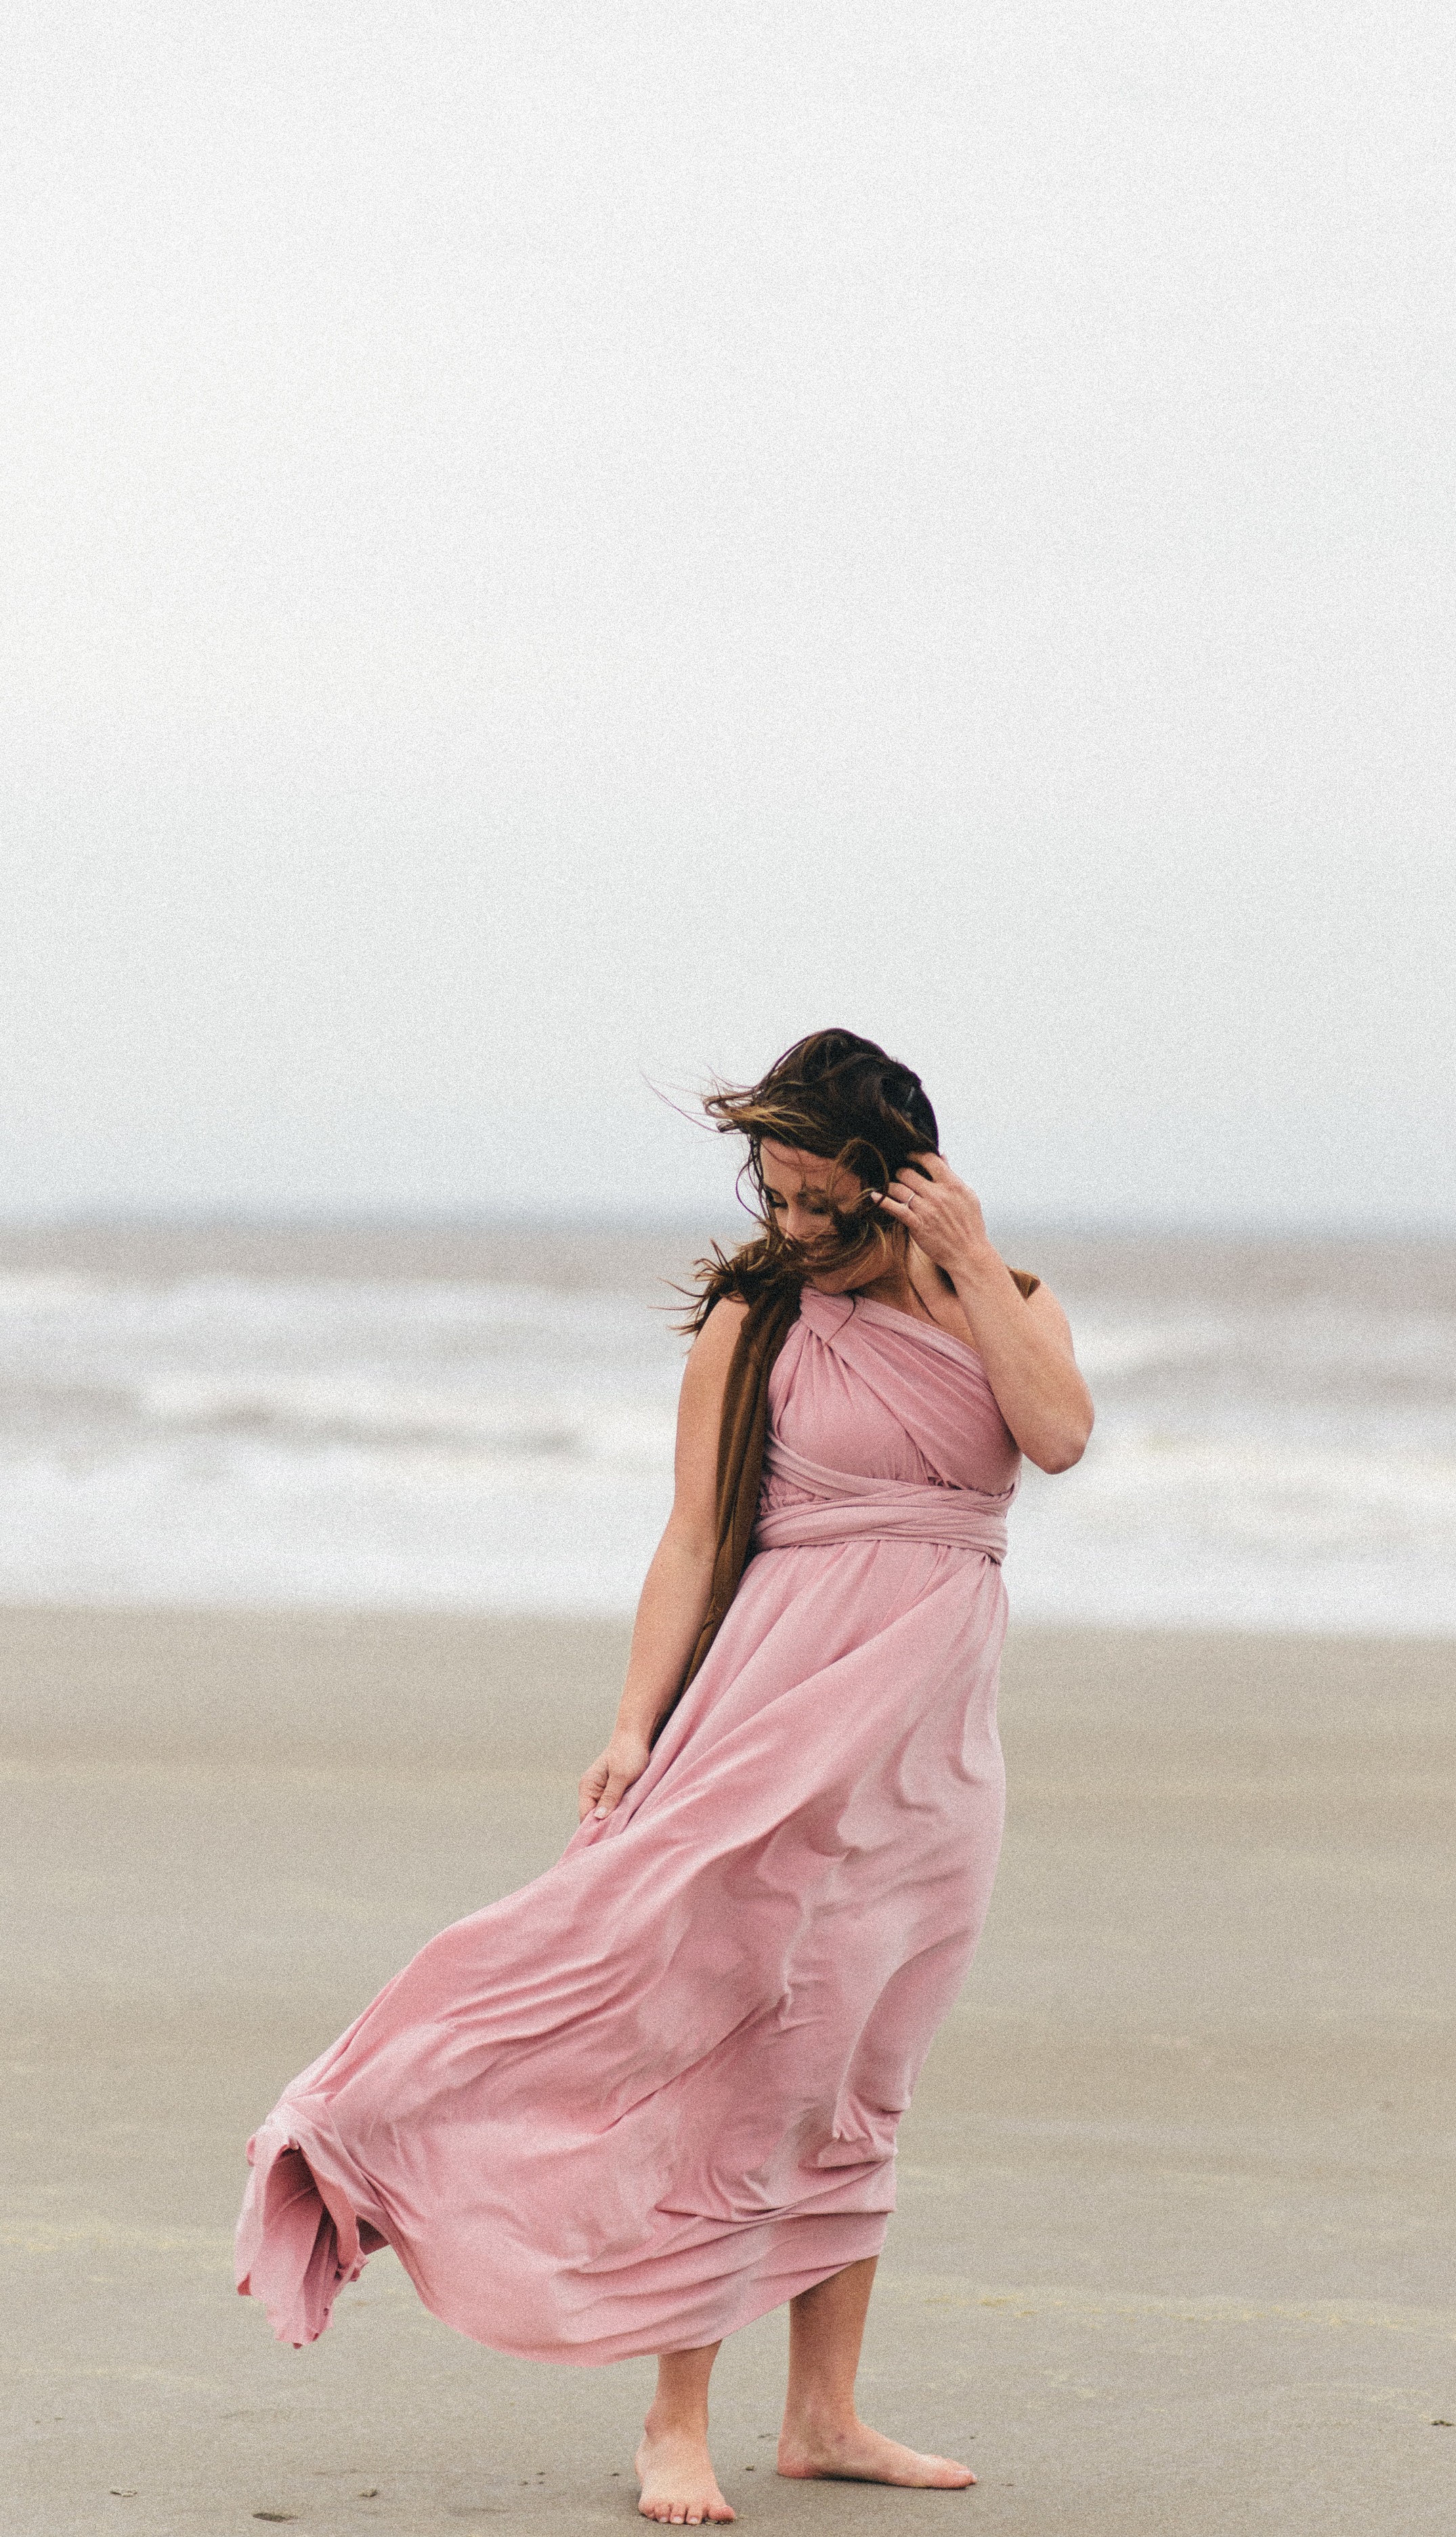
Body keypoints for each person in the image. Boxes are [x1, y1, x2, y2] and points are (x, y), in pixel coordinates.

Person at [236, 1029, 1094, 2528]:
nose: (795, 1226)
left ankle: (822, 2414)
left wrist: (974, 1262)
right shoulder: (756, 1321)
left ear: (904, 1184)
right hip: (770, 1719)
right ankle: (673, 2418)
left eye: (824, 1201)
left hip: (934, 1748)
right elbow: (694, 1536)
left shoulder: (1004, 1304)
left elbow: (1060, 1436)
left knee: (863, 2068)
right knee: (742, 2056)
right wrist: (634, 1723)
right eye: (776, 1196)